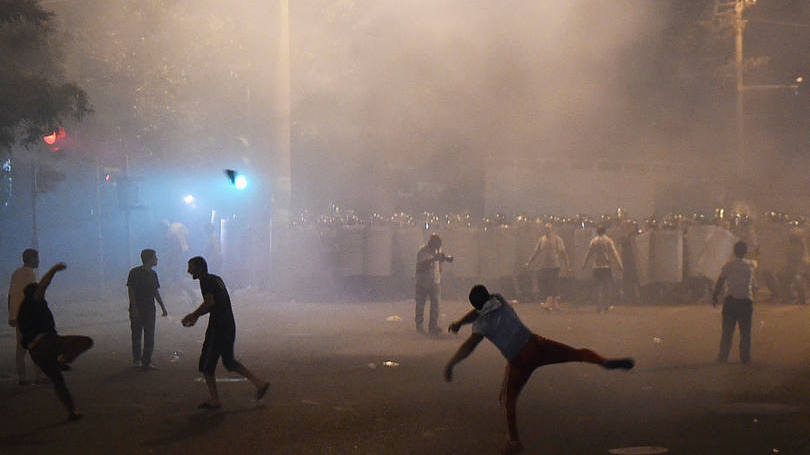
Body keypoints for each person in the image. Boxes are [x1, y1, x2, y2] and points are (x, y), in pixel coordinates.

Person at [444, 285, 634, 454]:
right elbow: (477, 311)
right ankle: (604, 362)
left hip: (519, 361)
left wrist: (452, 362)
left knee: (508, 400)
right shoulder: (499, 299)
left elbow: (468, 346)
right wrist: (461, 322)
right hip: (536, 345)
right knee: (577, 354)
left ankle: (514, 441)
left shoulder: (481, 325)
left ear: (476, 306)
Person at [181, 256, 269, 409]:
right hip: (228, 323)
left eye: (191, 267)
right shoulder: (216, 279)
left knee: (207, 364)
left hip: (218, 326)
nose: (189, 271)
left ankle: (215, 400)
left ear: (198, 268)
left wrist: (193, 315)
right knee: (229, 361)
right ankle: (259, 383)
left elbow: (210, 302)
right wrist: (196, 316)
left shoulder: (205, 281)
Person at [17, 262, 93, 421]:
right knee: (85, 342)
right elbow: (43, 286)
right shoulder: (34, 301)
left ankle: (72, 412)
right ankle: (64, 359)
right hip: (46, 343)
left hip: (36, 353)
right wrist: (53, 270)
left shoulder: (23, 309)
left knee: (59, 381)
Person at [713, 241, 757, 364]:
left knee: (727, 332)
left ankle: (723, 356)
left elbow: (720, 281)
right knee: (745, 333)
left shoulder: (729, 265)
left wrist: (715, 296)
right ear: (745, 252)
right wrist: (757, 250)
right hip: (746, 301)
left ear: (734, 251)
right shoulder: (751, 265)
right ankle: (745, 357)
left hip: (731, 301)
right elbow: (757, 259)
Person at [8, 248, 45, 385]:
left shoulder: (16, 274)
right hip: (28, 316)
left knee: (21, 348)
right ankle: (38, 377)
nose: (38, 261)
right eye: (37, 258)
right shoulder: (30, 275)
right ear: (31, 259)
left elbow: (11, 295)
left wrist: (11, 315)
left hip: (18, 316)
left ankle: (22, 378)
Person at [127, 249, 168, 369]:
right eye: (155, 257)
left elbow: (155, 292)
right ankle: (138, 360)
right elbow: (131, 290)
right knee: (137, 335)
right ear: (150, 259)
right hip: (141, 308)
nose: (157, 259)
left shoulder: (152, 274)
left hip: (149, 309)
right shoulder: (135, 273)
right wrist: (134, 307)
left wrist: (163, 307)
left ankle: (145, 361)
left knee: (148, 336)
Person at [414, 233, 452, 335]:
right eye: (437, 244)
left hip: (435, 281)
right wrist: (435, 258)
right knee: (421, 304)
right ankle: (419, 325)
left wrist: (443, 260)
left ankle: (433, 326)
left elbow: (439, 262)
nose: (438, 246)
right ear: (431, 243)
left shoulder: (438, 250)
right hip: (423, 281)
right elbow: (422, 264)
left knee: (436, 305)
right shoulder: (423, 250)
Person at [525, 223, 570, 308]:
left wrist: (568, 265)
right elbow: (536, 252)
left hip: (555, 266)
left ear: (552, 229)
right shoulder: (541, 239)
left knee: (553, 283)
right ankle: (552, 301)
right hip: (544, 266)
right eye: (546, 229)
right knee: (547, 283)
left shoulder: (557, 239)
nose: (547, 230)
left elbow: (563, 253)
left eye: (548, 228)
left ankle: (553, 302)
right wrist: (529, 262)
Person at [582, 225, 623, 312]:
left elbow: (589, 253)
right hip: (606, 267)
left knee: (597, 287)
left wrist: (584, 264)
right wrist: (620, 265)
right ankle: (606, 305)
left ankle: (598, 305)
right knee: (607, 287)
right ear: (605, 231)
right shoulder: (608, 241)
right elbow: (614, 253)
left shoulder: (594, 241)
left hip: (596, 267)